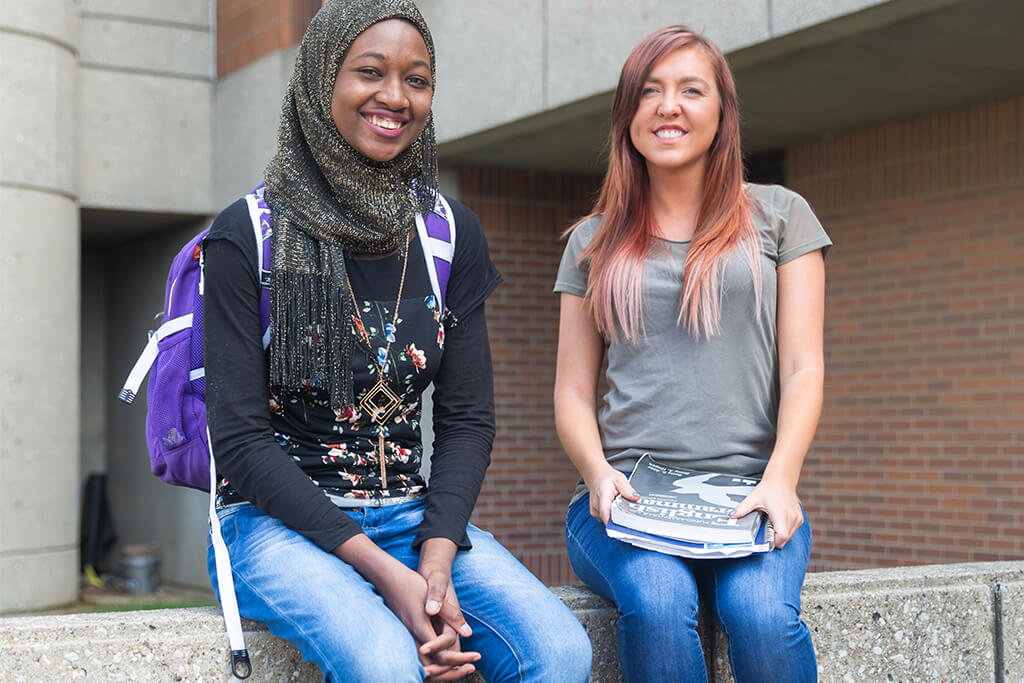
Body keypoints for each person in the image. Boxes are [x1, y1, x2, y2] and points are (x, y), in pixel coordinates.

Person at [202, 2, 592, 681]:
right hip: (269, 525)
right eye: (370, 72)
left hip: (413, 517)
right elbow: (238, 440)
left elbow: (469, 418)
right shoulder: (249, 232)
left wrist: (434, 559)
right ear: (323, 79)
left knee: (561, 653)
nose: (395, 96)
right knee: (386, 663)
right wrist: (388, 577)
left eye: (417, 79)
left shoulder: (446, 231)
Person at [553, 25, 831, 683]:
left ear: (721, 113)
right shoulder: (592, 242)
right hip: (625, 499)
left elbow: (803, 367)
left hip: (750, 495)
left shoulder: (781, 216)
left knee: (762, 616)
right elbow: (571, 390)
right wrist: (597, 474)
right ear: (627, 115)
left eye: (690, 90)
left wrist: (781, 479)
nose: (668, 106)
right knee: (656, 600)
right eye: (649, 91)